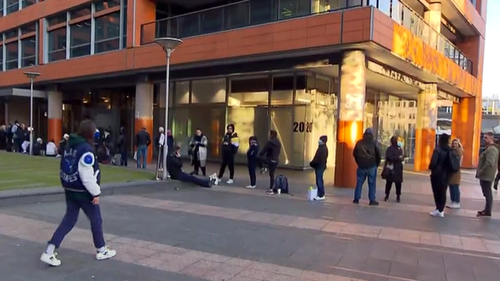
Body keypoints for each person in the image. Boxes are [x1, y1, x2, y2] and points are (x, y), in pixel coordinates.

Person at [40, 119, 116, 267]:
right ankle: (101, 249)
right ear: (90, 132)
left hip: (70, 188)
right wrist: (96, 193)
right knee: (96, 219)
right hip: (83, 191)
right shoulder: (86, 149)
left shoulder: (69, 146)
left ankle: (50, 250)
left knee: (69, 220)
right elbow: (86, 175)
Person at [353, 128, 381, 206]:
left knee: (359, 183)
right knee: (372, 183)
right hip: (372, 165)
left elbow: (354, 154)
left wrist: (359, 162)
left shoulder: (359, 143)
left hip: (361, 166)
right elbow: (378, 154)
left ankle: (356, 198)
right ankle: (372, 200)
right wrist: (377, 164)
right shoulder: (374, 143)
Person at [428, 133, 454, 218]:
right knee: (443, 192)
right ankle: (441, 210)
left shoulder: (438, 150)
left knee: (436, 192)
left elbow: (433, 162)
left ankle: (438, 209)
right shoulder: (450, 150)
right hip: (446, 174)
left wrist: (431, 167)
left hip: (437, 174)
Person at [475, 132, 499, 217]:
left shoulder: (491, 149)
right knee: (486, 193)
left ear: (491, 139)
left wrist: (481, 171)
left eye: (486, 138)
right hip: (486, 175)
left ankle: (488, 210)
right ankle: (487, 209)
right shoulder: (489, 148)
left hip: (487, 175)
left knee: (487, 193)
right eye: (484, 137)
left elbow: (490, 162)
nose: (484, 139)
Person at [259, 130, 282, 194]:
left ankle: (263, 167)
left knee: (257, 158)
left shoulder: (269, 143)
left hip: (269, 160)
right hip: (275, 160)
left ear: (271, 135)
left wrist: (261, 155)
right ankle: (271, 189)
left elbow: (263, 151)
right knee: (271, 174)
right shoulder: (279, 143)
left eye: (269, 134)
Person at [383, 136, 404, 203]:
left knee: (392, 183)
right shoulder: (395, 149)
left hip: (394, 168)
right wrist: (398, 158)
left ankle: (392, 195)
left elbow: (388, 157)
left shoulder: (395, 148)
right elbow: (389, 157)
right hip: (394, 168)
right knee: (393, 183)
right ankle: (393, 196)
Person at [310, 135, 329, 201]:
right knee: (319, 179)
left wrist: (312, 163)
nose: (319, 141)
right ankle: (320, 193)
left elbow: (318, 158)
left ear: (323, 141)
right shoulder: (322, 148)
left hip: (320, 166)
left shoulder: (322, 149)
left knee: (319, 180)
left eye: (320, 140)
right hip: (320, 166)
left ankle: (321, 194)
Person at [447, 138, 463, 209]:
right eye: (453, 143)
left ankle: (457, 201)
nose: (454, 145)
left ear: (458, 144)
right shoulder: (451, 150)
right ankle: (453, 201)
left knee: (455, 187)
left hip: (456, 171)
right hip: (451, 171)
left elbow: (460, 160)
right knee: (451, 186)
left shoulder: (459, 151)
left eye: (456, 143)